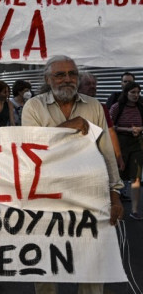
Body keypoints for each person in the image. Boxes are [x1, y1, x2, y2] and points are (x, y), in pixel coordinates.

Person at [21, 55, 124, 294]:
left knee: (92, 259)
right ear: (48, 79)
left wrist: (115, 195)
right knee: (46, 259)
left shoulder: (94, 106)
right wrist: (66, 128)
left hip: (89, 195)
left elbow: (106, 153)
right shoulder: (33, 107)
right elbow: (30, 149)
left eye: (72, 74)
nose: (68, 79)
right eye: (60, 74)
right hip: (46, 197)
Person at [109, 82, 143, 220]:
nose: (135, 95)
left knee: (136, 176)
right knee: (119, 175)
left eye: (138, 92)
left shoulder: (141, 107)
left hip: (137, 143)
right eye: (132, 92)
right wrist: (128, 129)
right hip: (121, 143)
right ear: (126, 93)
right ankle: (115, 206)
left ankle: (134, 210)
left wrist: (140, 129)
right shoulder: (118, 107)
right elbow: (110, 125)